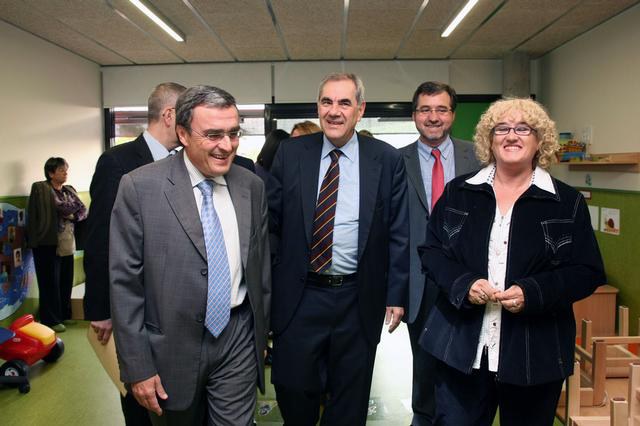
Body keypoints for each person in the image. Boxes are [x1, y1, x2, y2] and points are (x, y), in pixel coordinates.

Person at [418, 98, 606, 426]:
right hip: (460, 349)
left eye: (523, 129)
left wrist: (532, 292)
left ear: (540, 140)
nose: (511, 136)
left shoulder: (567, 202)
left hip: (536, 354)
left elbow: (587, 271)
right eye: (501, 128)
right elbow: (431, 252)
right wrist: (465, 284)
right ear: (489, 140)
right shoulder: (459, 192)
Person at [110, 85, 271, 426]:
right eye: (212, 135)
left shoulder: (251, 186)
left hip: (237, 336)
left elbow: (260, 271)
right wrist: (138, 366)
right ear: (182, 134)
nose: (226, 145)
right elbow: (125, 285)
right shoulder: (140, 187)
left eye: (233, 133)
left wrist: (260, 336)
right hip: (171, 344)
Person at [268, 72, 408, 425]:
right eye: (327, 102)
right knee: (293, 390)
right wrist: (271, 284)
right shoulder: (291, 153)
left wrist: (396, 293)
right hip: (299, 295)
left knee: (350, 399)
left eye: (344, 103)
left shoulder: (386, 159)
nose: (334, 111)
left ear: (360, 110)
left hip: (357, 299)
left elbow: (398, 232)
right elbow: (270, 224)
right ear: (318, 107)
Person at [83, 82, 185, 425]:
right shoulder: (117, 162)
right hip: (133, 304)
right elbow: (101, 238)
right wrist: (100, 309)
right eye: (188, 114)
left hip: (173, 306)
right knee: (139, 397)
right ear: (170, 115)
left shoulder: (184, 161)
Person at [400, 81, 479, 426]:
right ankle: (424, 417)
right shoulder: (395, 161)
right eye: (425, 109)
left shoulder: (479, 157)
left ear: (453, 115)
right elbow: (391, 229)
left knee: (468, 360)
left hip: (468, 277)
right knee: (424, 361)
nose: (433, 117)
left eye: (441, 109)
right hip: (419, 279)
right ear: (414, 115)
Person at [27, 157, 87, 333]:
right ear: (51, 173)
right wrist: (71, 212)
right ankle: (50, 319)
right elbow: (61, 208)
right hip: (47, 243)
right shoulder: (42, 189)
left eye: (66, 170)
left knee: (65, 280)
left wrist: (72, 216)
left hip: (67, 242)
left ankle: (63, 314)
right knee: (49, 282)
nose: (65, 173)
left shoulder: (68, 190)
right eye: (61, 170)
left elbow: (82, 210)